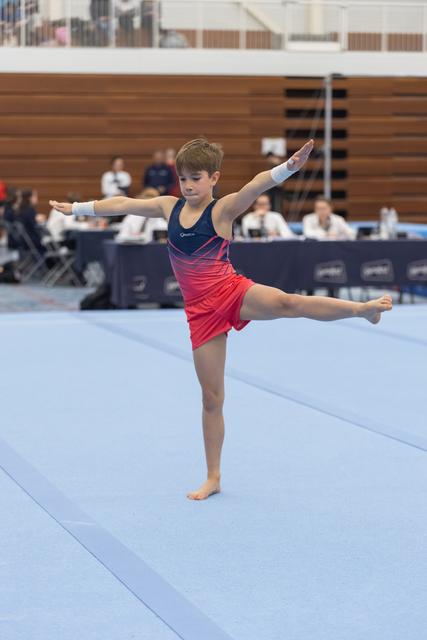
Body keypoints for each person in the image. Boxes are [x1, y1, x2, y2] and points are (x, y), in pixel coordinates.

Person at [50, 137, 392, 502]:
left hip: (232, 293)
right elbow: (123, 204)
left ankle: (362, 309)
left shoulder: (223, 210)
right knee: (212, 398)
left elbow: (257, 185)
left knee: (287, 303)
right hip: (200, 314)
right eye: (183, 179)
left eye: (196, 178)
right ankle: (213, 476)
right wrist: (78, 208)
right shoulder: (169, 207)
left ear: (214, 178)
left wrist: (288, 167)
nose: (189, 186)